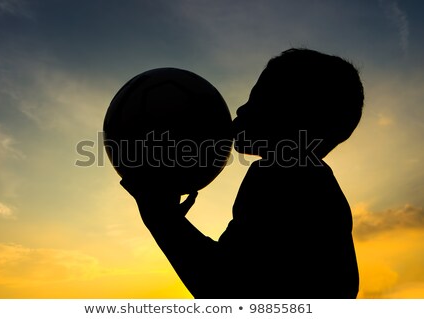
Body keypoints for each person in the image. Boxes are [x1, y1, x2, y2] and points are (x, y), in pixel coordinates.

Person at [121, 48, 364, 298]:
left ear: (292, 114)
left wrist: (161, 219)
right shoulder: (316, 185)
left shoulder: (281, 177)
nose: (241, 109)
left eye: (258, 99)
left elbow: (222, 286)